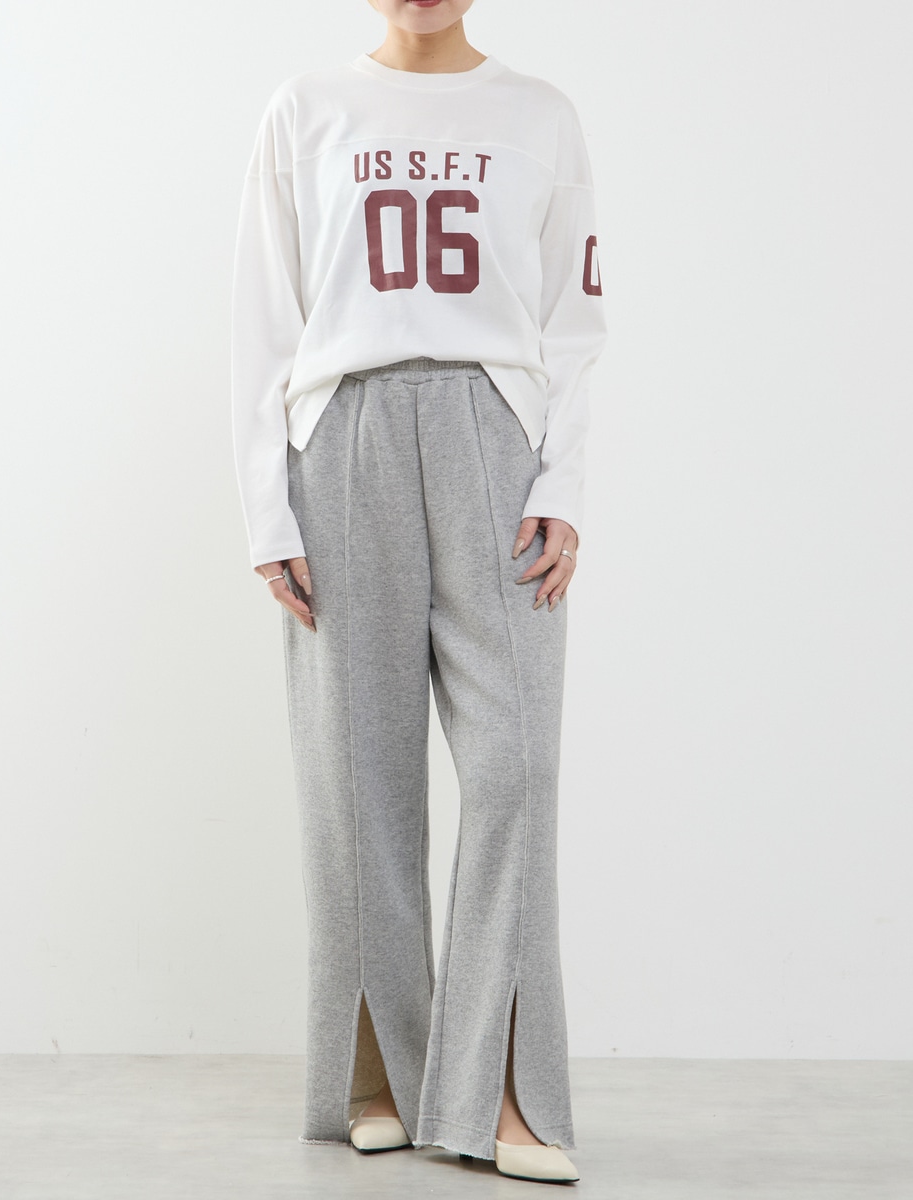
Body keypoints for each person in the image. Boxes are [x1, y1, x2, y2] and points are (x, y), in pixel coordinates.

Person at [231, 0, 606, 1185]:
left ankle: (506, 1092)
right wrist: (266, 511)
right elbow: (261, 320)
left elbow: (577, 323)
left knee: (515, 769)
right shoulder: (306, 109)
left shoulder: (540, 115)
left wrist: (565, 483)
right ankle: (380, 1073)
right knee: (357, 774)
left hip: (494, 433)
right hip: (343, 434)